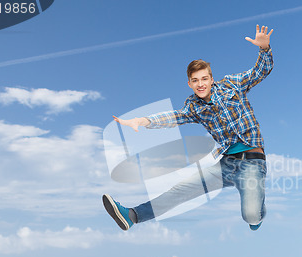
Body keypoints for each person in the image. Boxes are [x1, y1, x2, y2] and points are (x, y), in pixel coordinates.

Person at [103, 25, 274, 231]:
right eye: (195, 81)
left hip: (252, 163)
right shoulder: (194, 106)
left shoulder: (232, 85)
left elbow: (259, 72)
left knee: (251, 216)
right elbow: (173, 117)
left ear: (211, 79)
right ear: (190, 84)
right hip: (225, 165)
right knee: (180, 190)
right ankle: (132, 215)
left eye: (204, 79)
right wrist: (142, 121)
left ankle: (257, 214)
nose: (200, 84)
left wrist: (264, 49)